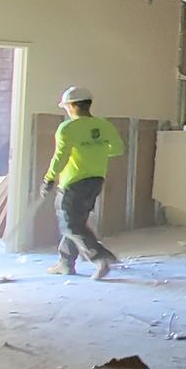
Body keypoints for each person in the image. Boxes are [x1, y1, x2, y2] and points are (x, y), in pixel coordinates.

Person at [39, 86, 125, 279]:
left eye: (67, 106)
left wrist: (49, 178)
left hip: (73, 182)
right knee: (76, 222)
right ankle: (65, 263)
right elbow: (118, 149)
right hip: (96, 180)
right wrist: (97, 151)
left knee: (69, 225)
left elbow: (60, 157)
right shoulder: (104, 125)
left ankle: (100, 257)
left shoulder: (67, 128)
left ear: (72, 106)